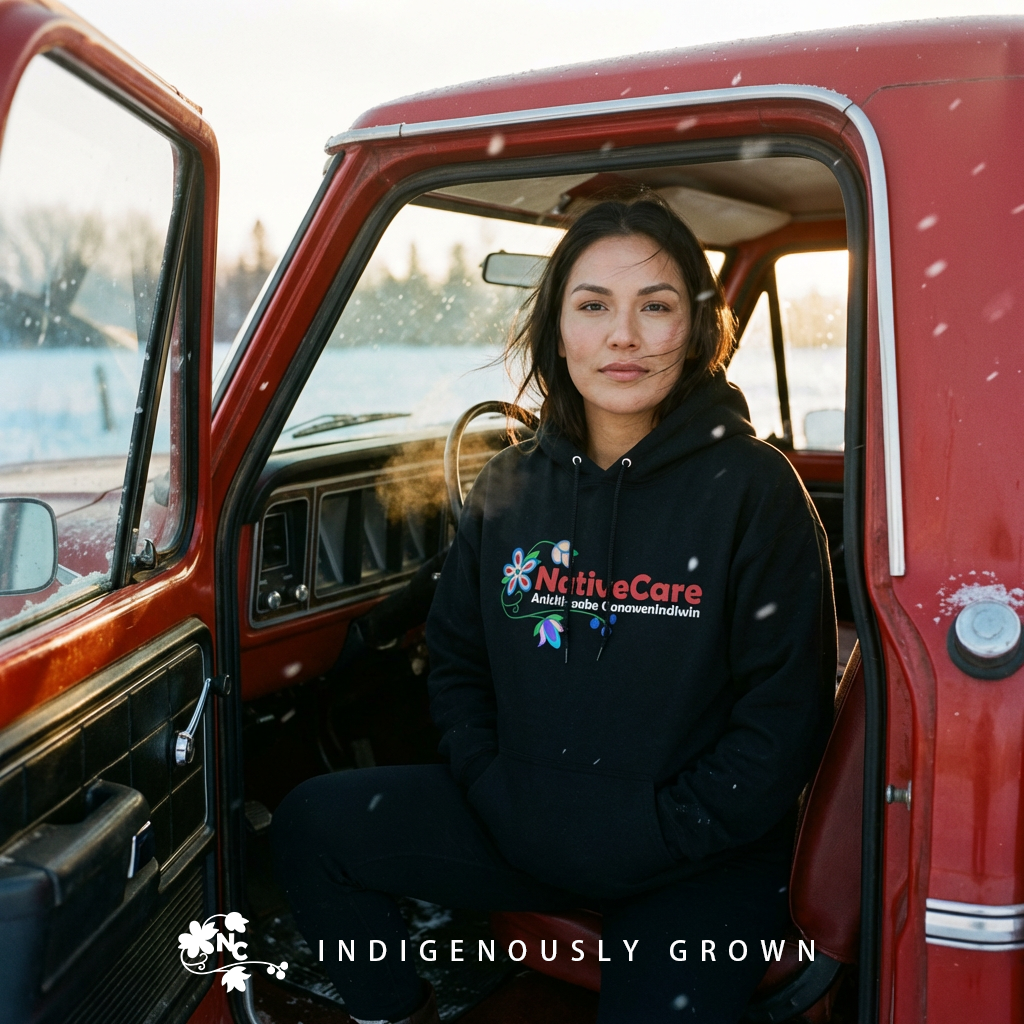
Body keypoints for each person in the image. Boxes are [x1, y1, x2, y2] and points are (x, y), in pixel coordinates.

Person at [272, 196, 836, 1024]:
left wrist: (664, 830)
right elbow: (458, 664)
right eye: (594, 305)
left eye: (656, 306)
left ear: (698, 326)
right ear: (557, 327)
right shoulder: (509, 485)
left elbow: (783, 719)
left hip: (697, 860)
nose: (624, 336)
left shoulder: (754, 491)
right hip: (521, 825)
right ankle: (397, 1012)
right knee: (312, 826)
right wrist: (496, 790)